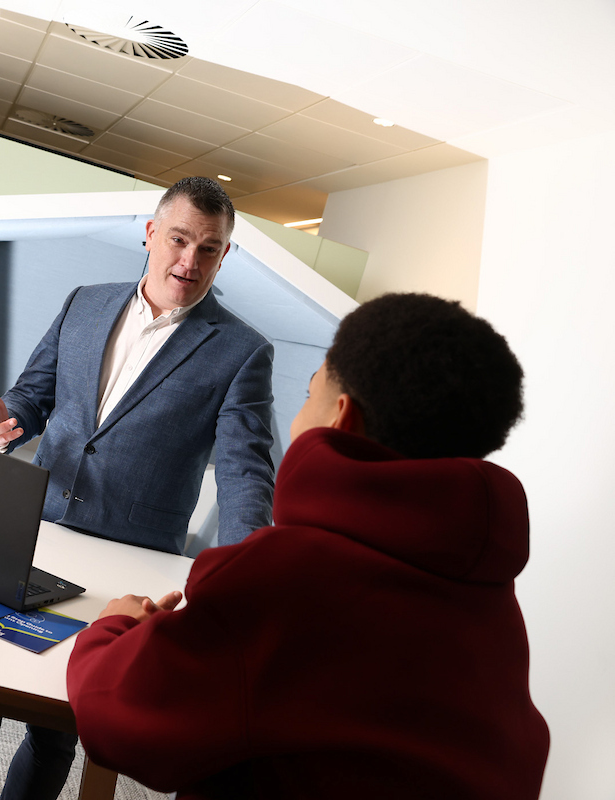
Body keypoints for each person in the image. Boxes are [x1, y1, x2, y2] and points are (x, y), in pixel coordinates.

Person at [66, 293, 551, 799]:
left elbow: (118, 717)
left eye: (307, 394)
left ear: (341, 417)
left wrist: (114, 626)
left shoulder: (284, 576)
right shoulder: (490, 603)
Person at [0, 176, 276, 800]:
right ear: (150, 235)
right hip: (35, 531)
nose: (190, 261)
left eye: (210, 249)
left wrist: (248, 568)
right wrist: (7, 424)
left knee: (59, 723)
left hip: (127, 563)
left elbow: (246, 467)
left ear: (226, 254)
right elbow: (34, 396)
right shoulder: (85, 302)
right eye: (179, 239)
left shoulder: (243, 351)